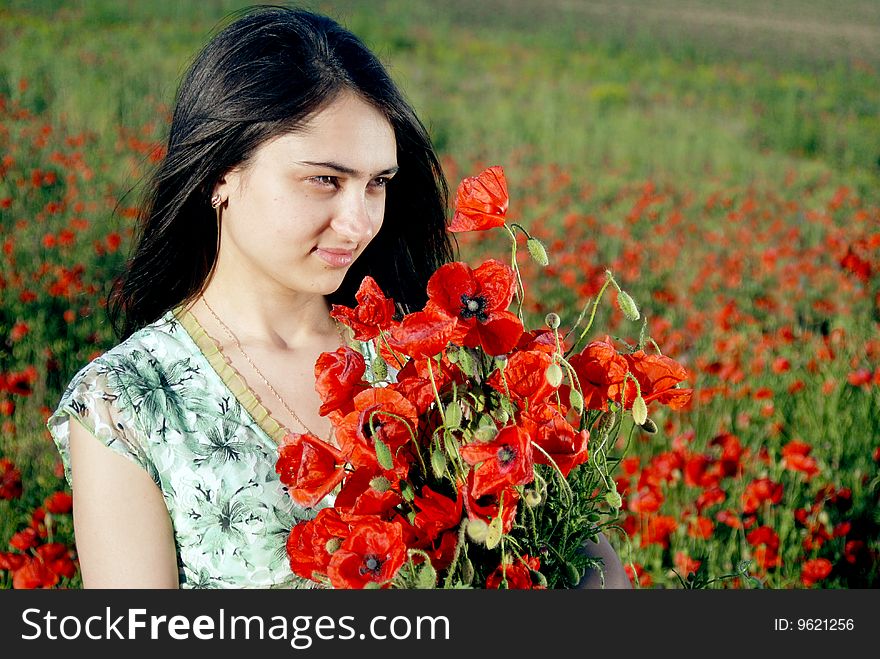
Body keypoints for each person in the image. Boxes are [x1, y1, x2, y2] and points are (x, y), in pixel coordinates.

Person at [47, 5, 630, 590]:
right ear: (220, 173)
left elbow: (592, 567)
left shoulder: (428, 359)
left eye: (377, 183)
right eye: (324, 180)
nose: (359, 223)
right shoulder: (126, 405)